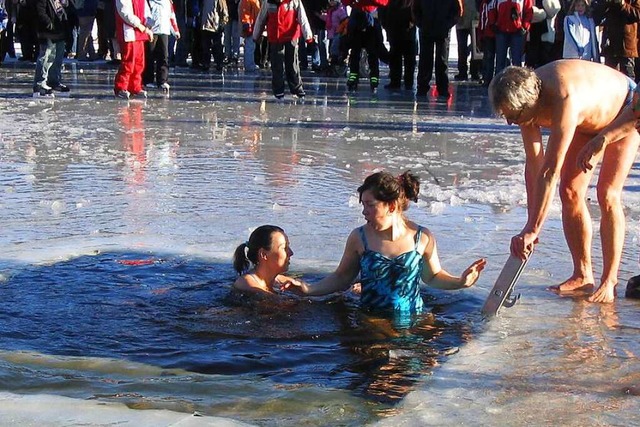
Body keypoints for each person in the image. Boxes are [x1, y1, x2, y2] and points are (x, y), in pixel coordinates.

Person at [488, 60, 640, 303]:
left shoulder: (562, 96)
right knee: (570, 191)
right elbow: (535, 165)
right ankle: (582, 274)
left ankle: (609, 280)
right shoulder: (524, 106)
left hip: (625, 109)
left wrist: (534, 229)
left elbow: (550, 170)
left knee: (607, 193)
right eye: (506, 117)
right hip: (588, 121)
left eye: (513, 116)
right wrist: (530, 224)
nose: (510, 122)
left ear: (530, 103)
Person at [284, 171, 486, 314]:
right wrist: (307, 289)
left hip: (412, 321)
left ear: (390, 206)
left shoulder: (422, 237)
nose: (364, 212)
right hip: (370, 319)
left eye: (370, 205)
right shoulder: (359, 238)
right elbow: (342, 277)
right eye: (363, 205)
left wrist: (461, 282)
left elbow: (432, 277)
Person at [252, 0, 313, 99]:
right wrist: (256, 34)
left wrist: (308, 36)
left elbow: (303, 18)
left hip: (291, 36)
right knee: (277, 64)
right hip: (275, 37)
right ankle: (278, 89)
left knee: (293, 63)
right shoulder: (268, 3)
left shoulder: (294, 2)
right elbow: (261, 19)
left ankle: (296, 87)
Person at [233, 225, 298, 295]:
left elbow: (309, 290)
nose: (291, 253)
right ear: (263, 254)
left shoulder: (278, 280)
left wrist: (302, 287)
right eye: (284, 248)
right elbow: (275, 303)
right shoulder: (245, 283)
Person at [114, 0, 154, 99]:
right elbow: (124, 12)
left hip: (140, 34)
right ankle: (121, 87)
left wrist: (148, 23)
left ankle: (135, 87)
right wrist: (139, 25)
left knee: (139, 63)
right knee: (128, 62)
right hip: (129, 32)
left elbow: (146, 11)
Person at [33, 0, 72, 97]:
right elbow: (39, 12)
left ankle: (54, 81)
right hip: (48, 31)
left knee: (58, 58)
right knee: (46, 57)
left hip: (60, 30)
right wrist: (49, 24)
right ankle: (40, 84)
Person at [143, 0, 180, 92]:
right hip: (152, 32)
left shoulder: (168, 2)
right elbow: (145, 15)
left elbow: (172, 17)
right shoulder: (148, 2)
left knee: (164, 56)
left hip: (164, 31)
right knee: (149, 56)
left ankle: (162, 80)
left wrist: (175, 30)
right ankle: (148, 80)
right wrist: (147, 28)